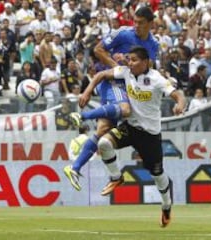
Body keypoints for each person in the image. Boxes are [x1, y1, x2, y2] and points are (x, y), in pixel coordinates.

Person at [78, 46, 186, 227]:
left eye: (134, 60)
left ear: (145, 62)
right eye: (129, 59)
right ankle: (116, 177)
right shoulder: (126, 72)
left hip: (150, 135)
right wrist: (88, 91)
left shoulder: (156, 79)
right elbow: (101, 75)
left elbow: (178, 95)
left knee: (157, 174)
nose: (130, 63)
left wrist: (180, 105)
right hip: (130, 127)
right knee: (104, 143)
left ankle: (166, 204)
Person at [64, 6, 159, 191]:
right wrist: (120, 69)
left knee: (103, 131)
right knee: (125, 110)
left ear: (150, 23)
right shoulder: (123, 34)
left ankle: (74, 168)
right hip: (112, 80)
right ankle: (82, 116)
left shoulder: (154, 44)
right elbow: (98, 50)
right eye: (135, 21)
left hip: (130, 88)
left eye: (140, 23)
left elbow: (150, 68)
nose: (136, 26)